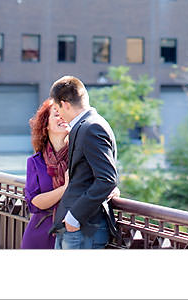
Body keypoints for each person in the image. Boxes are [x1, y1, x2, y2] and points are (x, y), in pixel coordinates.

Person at [49, 75, 120, 249]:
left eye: (58, 108)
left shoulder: (91, 127)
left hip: (82, 228)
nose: (59, 114)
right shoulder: (87, 125)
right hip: (76, 228)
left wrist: (74, 217)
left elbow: (107, 179)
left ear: (65, 103)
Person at [22, 99, 70, 249]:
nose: (62, 117)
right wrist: (64, 189)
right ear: (46, 125)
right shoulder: (35, 162)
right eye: (57, 114)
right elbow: (35, 203)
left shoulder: (79, 156)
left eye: (65, 113)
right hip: (40, 234)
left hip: (73, 235)